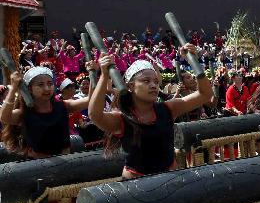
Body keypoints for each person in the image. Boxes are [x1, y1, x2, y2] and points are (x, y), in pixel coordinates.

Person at [88, 47, 213, 179]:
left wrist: (192, 60)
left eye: (156, 82)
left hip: (170, 182)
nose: (154, 85)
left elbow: (205, 94)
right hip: (137, 187)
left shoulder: (169, 108)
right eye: (146, 81)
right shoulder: (121, 118)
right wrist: (104, 75)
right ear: (130, 86)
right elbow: (94, 115)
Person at [1, 65, 92, 158]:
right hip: (39, 166)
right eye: (40, 85)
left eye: (50, 84)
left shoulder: (63, 106)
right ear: (30, 89)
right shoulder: (24, 112)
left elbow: (92, 99)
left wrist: (93, 73)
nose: (47, 88)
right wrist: (13, 89)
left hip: (65, 164)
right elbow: (4, 118)